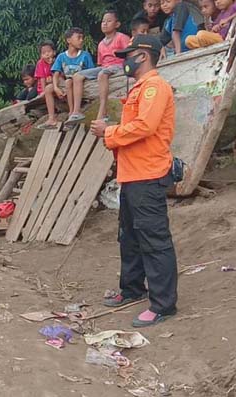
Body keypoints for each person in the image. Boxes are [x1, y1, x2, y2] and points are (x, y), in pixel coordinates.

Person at [90, 35, 178, 328]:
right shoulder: (140, 88)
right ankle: (132, 289)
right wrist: (111, 133)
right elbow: (135, 128)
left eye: (128, 55)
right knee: (129, 237)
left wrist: (109, 132)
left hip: (148, 175)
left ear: (143, 56)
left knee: (154, 240)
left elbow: (145, 126)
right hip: (132, 174)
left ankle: (163, 305)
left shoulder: (154, 87)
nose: (124, 61)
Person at [67, 11, 130, 124]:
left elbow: (130, 55)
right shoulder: (101, 44)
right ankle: (76, 112)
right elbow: (100, 64)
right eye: (103, 21)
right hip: (105, 67)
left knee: (102, 74)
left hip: (118, 66)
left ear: (117, 24)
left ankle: (102, 111)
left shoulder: (122, 38)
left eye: (109, 21)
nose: (105, 24)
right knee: (77, 76)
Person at [39, 27, 95, 130]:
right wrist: (56, 87)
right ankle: (52, 118)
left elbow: (91, 72)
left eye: (82, 38)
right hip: (66, 85)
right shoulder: (61, 56)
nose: (81, 40)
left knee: (69, 81)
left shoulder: (85, 55)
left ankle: (73, 112)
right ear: (69, 40)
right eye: (78, 37)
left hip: (80, 85)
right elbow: (56, 73)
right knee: (48, 89)